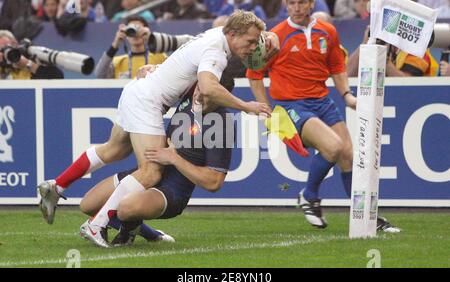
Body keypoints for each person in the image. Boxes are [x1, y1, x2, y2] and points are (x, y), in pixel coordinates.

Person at [38, 10, 271, 240]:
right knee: (150, 172)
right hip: (148, 101)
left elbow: (185, 56)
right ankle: (96, 225)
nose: (252, 47)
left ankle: (57, 186)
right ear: (232, 33)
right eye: (250, 41)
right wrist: (247, 106)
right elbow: (209, 87)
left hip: (138, 90)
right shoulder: (217, 52)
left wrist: (159, 69)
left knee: (114, 150)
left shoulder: (215, 34)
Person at [246, 0, 399, 233]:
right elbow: (254, 74)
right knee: (334, 147)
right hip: (291, 106)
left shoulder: (327, 32)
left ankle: (366, 216)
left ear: (311, 4)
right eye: (292, 3)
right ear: (286, 5)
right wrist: (265, 109)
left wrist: (347, 94)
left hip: (323, 102)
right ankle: (309, 195)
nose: (296, 8)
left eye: (301, 3)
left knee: (347, 155)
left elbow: (337, 67)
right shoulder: (275, 37)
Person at [78, 66, 236, 247]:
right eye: (199, 87)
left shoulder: (221, 124)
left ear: (222, 97)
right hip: (149, 172)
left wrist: (174, 158)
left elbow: (214, 182)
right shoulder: (189, 92)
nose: (199, 95)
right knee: (88, 205)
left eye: (207, 94)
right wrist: (148, 74)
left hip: (173, 190)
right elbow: (175, 67)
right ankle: (150, 234)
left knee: (125, 208)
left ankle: (127, 231)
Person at [347, 26, 439, 77]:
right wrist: (366, 44)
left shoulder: (418, 51)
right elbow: (347, 75)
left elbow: (406, 86)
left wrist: (382, 57)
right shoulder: (384, 44)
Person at [95, 16, 167, 79]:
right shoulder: (118, 62)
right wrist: (115, 45)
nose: (135, 34)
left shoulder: (160, 57)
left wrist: (151, 39)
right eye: (131, 29)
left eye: (139, 29)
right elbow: (99, 75)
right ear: (126, 34)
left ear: (146, 31)